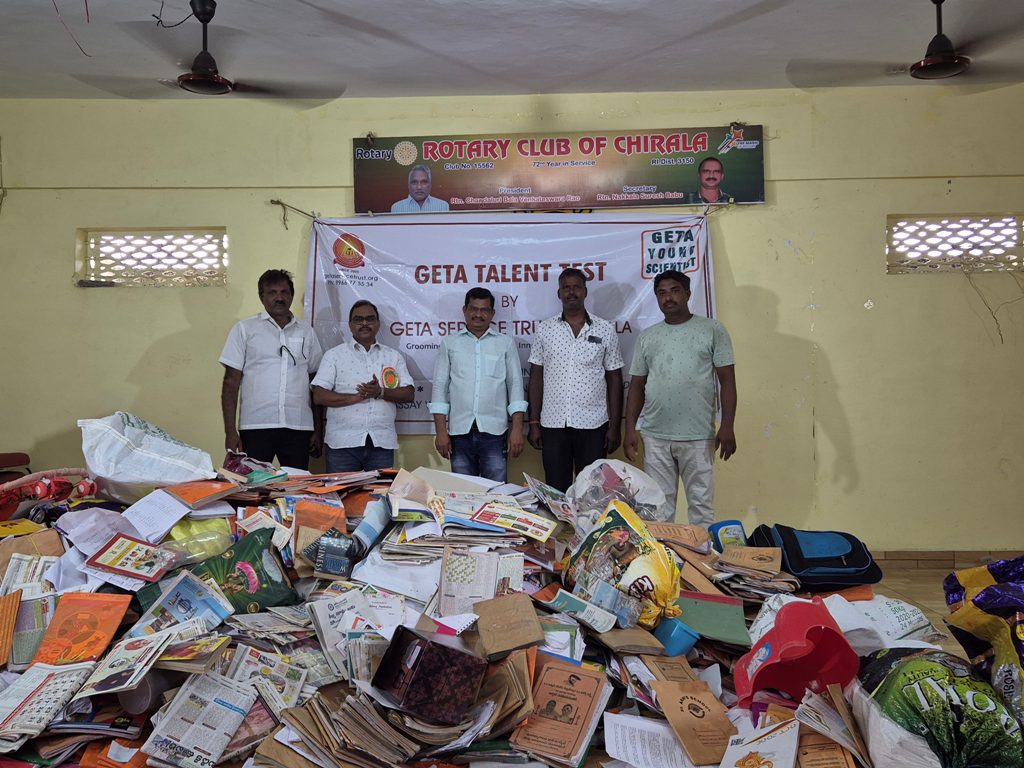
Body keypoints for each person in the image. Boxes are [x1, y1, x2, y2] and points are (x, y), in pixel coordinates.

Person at [623, 269, 736, 526]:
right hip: (655, 435)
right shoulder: (648, 336)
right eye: (662, 293)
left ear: (687, 293)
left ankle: (701, 553)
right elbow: (637, 385)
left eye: (674, 291)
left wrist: (727, 425)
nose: (668, 298)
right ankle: (665, 553)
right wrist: (630, 430)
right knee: (658, 509)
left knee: (701, 507)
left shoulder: (712, 330)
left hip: (698, 435)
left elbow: (727, 380)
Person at [527, 268, 624, 491]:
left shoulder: (605, 329)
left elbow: (615, 379)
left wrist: (615, 426)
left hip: (593, 425)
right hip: (553, 424)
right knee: (556, 489)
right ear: (559, 293)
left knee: (591, 492)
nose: (571, 292)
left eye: (577, 287)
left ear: (585, 292)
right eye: (566, 288)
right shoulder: (545, 329)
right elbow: (536, 378)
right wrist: (533, 423)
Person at [220, 269, 323, 470]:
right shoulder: (245, 329)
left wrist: (318, 430)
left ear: (291, 295)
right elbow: (230, 383)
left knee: (297, 485)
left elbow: (316, 384)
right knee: (254, 484)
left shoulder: (306, 332)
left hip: (299, 426)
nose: (279, 298)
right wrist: (230, 431)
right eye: (272, 292)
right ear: (261, 296)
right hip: (256, 425)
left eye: (284, 292)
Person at [430, 287, 526, 482]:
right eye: (474, 309)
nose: (478, 315)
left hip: (495, 432)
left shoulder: (505, 343)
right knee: (464, 492)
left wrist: (517, 430)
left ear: (492, 313)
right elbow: (440, 387)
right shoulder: (449, 343)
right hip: (459, 432)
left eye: (484, 310)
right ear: (464, 310)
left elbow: (515, 386)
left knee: (496, 492)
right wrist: (441, 432)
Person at [311, 300, 415, 473]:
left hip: (381, 443)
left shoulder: (393, 356)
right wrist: (357, 397)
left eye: (370, 319)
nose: (365, 323)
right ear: (350, 325)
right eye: (358, 319)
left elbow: (409, 394)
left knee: (379, 491)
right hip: (342, 444)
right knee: (342, 491)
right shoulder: (334, 355)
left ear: (378, 324)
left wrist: (380, 392)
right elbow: (319, 395)